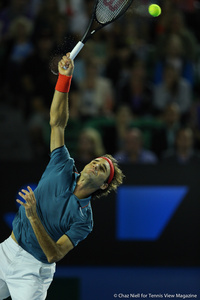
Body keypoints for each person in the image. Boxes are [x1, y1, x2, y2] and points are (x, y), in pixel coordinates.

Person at [0, 53, 124, 300]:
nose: (95, 165)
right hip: (7, 250)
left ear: (104, 185)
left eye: (102, 169)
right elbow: (57, 123)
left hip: (33, 272)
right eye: (96, 161)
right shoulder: (63, 164)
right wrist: (65, 79)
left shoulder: (84, 220)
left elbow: (54, 254)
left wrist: (34, 217)